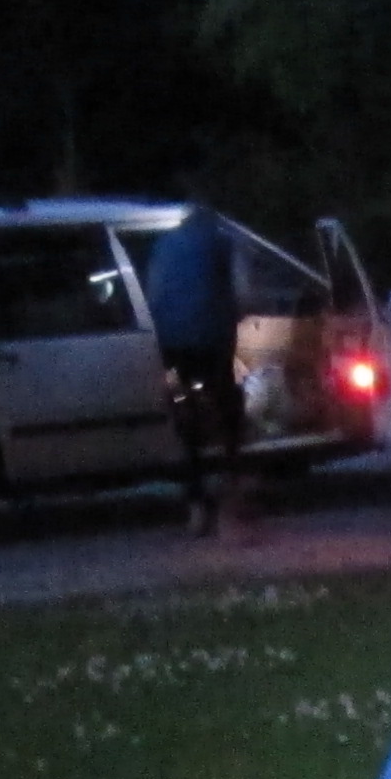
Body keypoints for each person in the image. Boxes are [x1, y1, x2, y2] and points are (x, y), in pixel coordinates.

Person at [145, 211, 244, 536]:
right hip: (212, 340)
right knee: (230, 408)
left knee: (184, 413)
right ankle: (231, 494)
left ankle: (195, 504)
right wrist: (234, 315)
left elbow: (153, 293)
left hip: (173, 344)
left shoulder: (164, 245)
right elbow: (243, 292)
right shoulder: (223, 242)